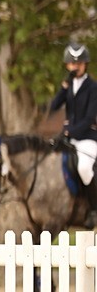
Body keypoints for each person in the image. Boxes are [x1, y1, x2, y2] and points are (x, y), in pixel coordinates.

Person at [48, 41, 97, 227]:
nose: (75, 67)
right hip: (69, 137)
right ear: (68, 65)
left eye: (79, 63)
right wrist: (63, 88)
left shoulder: (93, 87)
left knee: (84, 167)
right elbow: (53, 107)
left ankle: (93, 209)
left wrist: (69, 131)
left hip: (88, 138)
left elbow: (89, 118)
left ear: (85, 64)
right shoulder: (68, 85)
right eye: (72, 64)